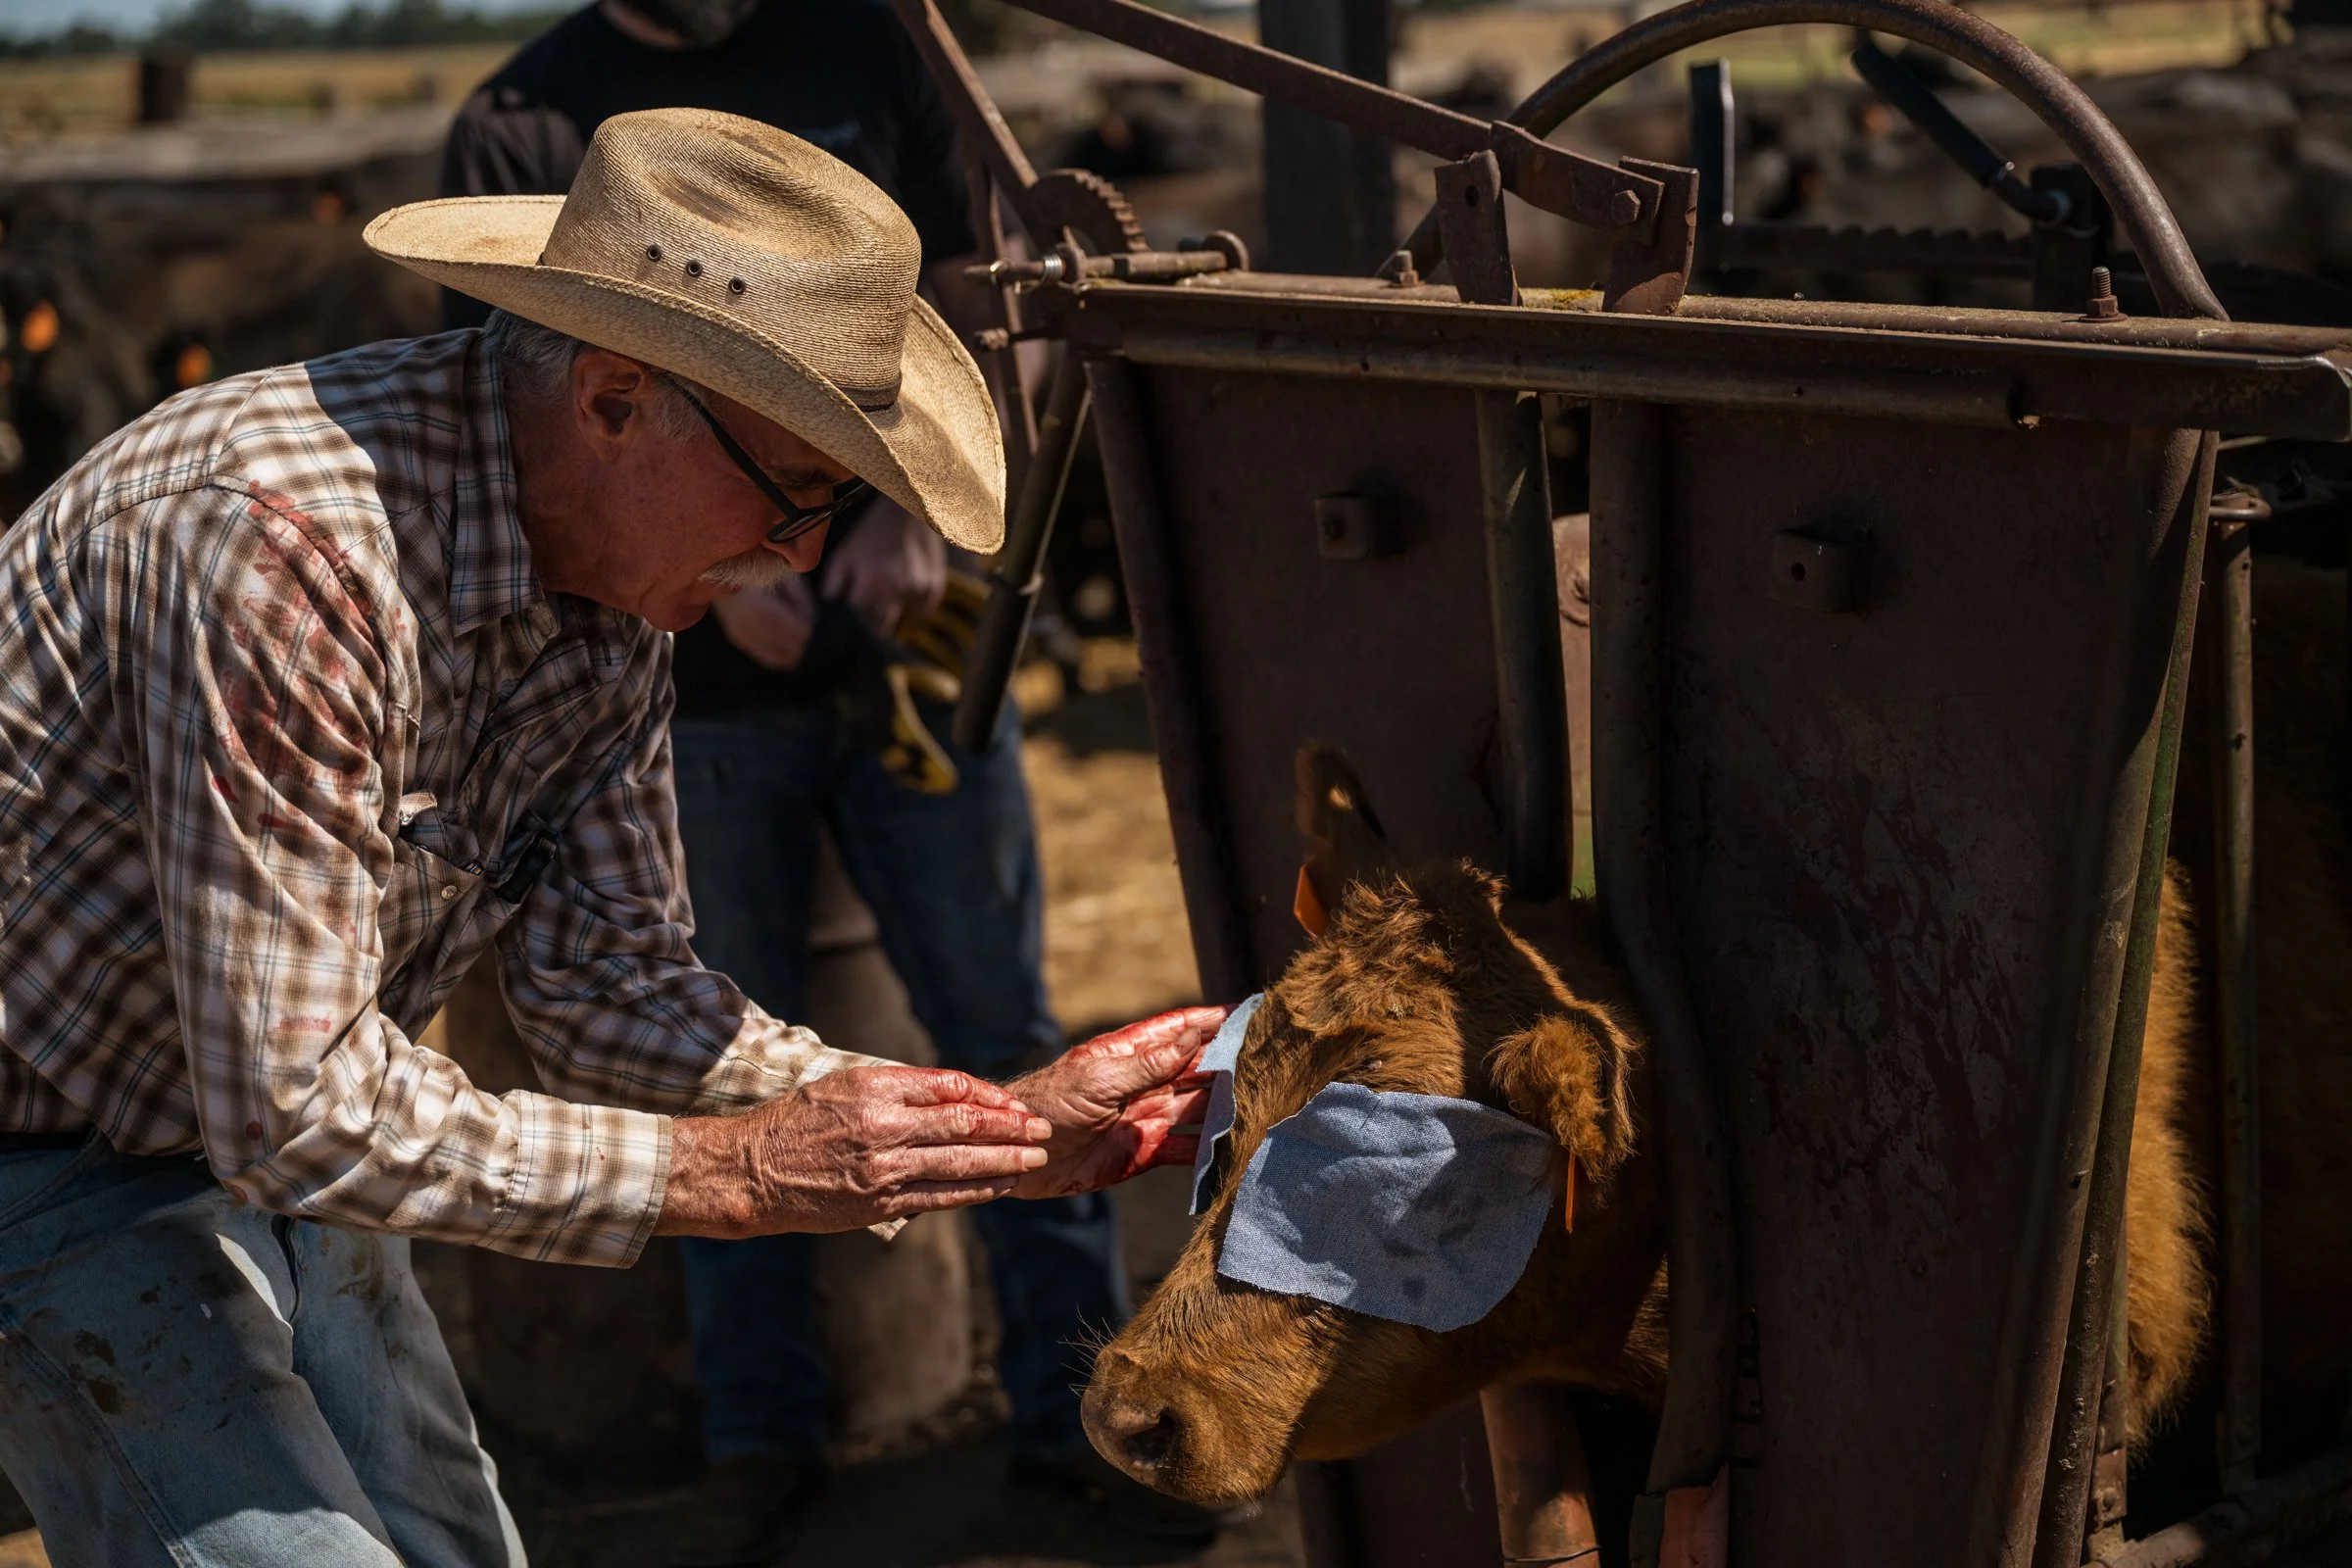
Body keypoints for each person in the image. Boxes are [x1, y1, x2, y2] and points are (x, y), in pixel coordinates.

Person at [0, 110, 1220, 1568]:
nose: (810, 558)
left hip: (252, 1131)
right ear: (618, 398)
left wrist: (992, 1135)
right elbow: (302, 1110)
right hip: (46, 1149)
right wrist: (743, 1175)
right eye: (795, 494)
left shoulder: (607, 595)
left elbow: (614, 987)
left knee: (457, 1547)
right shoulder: (283, 556)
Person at [437, 5, 1184, 1560]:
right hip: (688, 685)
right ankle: (762, 1440)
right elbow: (532, 424)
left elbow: (980, 301)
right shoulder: (526, 117)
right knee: (700, 1042)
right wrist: (711, 564)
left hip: (899, 639)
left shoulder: (874, 49)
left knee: (998, 1018)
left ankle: (1080, 1413)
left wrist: (902, 520)